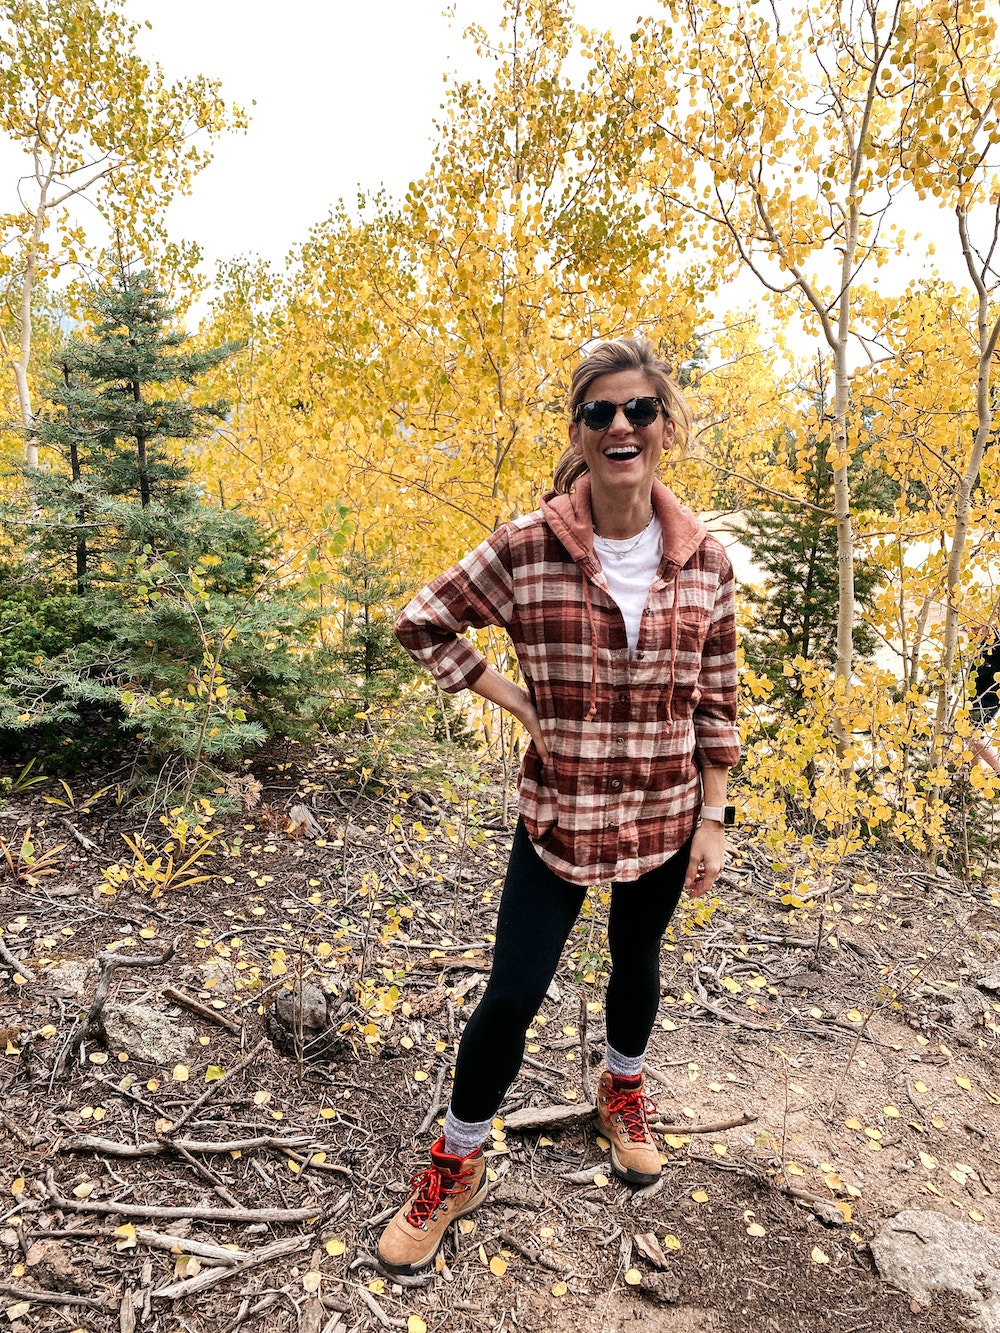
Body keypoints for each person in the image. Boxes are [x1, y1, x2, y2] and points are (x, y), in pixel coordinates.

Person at [378, 337, 740, 1276]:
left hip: (663, 816)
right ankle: (455, 1164)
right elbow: (421, 620)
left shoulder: (706, 559)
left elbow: (719, 693)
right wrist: (513, 698)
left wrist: (713, 814)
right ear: (578, 432)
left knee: (638, 959)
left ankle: (622, 1090)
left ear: (666, 425)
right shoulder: (527, 546)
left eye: (640, 410)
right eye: (600, 413)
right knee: (511, 994)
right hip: (559, 818)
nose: (622, 427)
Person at [970, 625, 1000, 776]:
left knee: (973, 735)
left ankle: (998, 771)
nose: (972, 630)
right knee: (970, 737)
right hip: (973, 695)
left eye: (976, 627)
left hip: (990, 696)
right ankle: (974, 778)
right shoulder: (978, 641)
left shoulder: (997, 643)